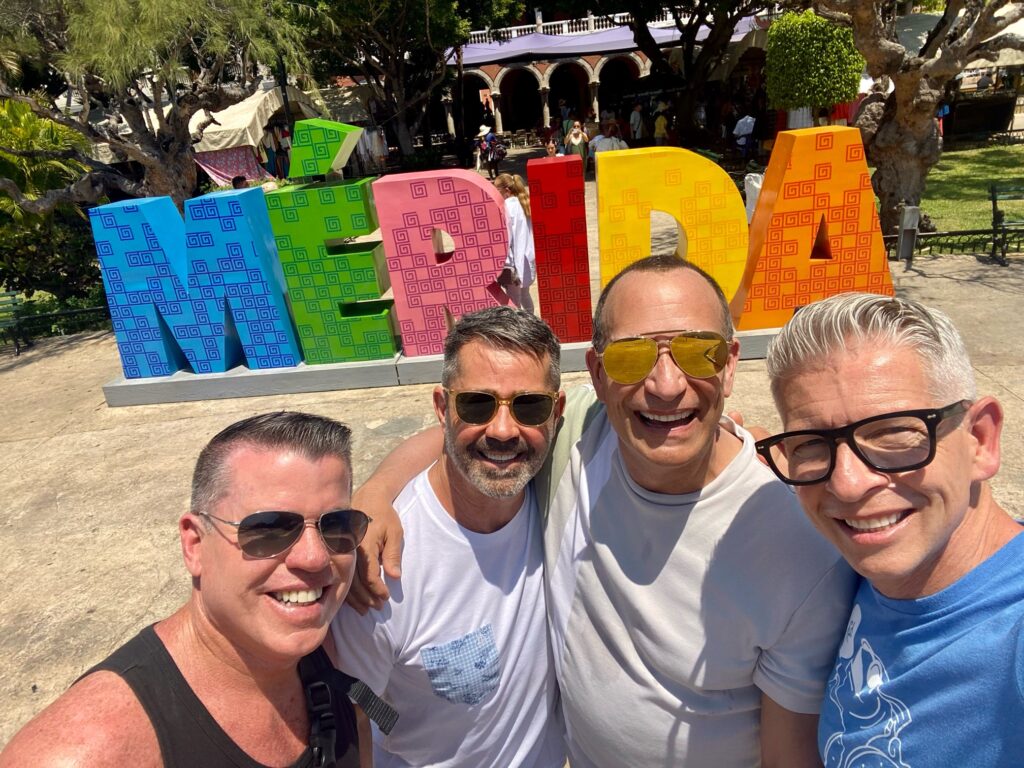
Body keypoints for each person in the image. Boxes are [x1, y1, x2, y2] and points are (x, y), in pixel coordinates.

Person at [352, 256, 857, 768]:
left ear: (728, 365)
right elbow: (470, 433)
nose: (665, 385)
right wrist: (375, 491)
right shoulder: (581, 436)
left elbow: (790, 755)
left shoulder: (799, 545)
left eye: (696, 353)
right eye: (630, 357)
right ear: (597, 373)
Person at [0, 412, 372, 768]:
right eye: (270, 528)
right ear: (194, 545)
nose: (315, 558)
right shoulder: (86, 752)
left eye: (337, 525)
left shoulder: (330, 644)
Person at [756, 293, 1024, 766]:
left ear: (981, 440)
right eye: (811, 446)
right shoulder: (866, 572)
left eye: (894, 434)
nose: (848, 484)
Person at [333, 307, 566, 767]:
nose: (503, 430)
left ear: (556, 413)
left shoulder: (557, 485)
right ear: (443, 408)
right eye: (476, 404)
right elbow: (350, 709)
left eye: (529, 406)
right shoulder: (382, 565)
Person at [494, 173, 537, 314]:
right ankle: (533, 322)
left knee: (514, 301)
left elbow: (507, 237)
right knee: (525, 295)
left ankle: (521, 332)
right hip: (527, 258)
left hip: (513, 262)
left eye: (497, 190)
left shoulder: (507, 207)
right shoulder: (524, 202)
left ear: (506, 190)